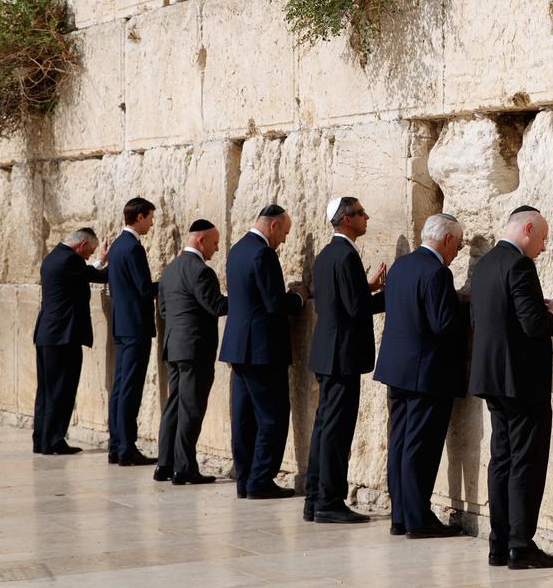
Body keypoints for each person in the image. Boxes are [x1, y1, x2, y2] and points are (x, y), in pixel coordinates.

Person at [469, 206, 553, 569]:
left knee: (502, 460)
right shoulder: (520, 265)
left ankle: (499, 544)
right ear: (527, 228)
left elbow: (489, 317)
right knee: (525, 462)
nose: (542, 247)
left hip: (492, 379)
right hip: (522, 382)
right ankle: (521, 545)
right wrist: (552, 314)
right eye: (541, 238)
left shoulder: (486, 264)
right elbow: (533, 326)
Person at [373, 213, 469, 539]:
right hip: (425, 374)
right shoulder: (438, 272)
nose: (457, 251)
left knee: (400, 444)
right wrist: (467, 309)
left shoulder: (401, 266)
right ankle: (418, 520)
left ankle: (401, 516)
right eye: (458, 244)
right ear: (447, 240)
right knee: (420, 449)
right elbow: (444, 325)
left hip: (396, 371)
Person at [304, 196, 387, 524]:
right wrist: (390, 295)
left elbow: (341, 299)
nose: (367, 217)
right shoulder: (347, 256)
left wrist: (365, 288)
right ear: (347, 219)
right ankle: (329, 502)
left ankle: (314, 499)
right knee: (336, 432)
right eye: (361, 213)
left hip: (327, 353)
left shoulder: (328, 255)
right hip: (342, 357)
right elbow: (356, 308)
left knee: (324, 428)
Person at [220, 205, 307, 500]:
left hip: (238, 347)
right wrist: (299, 297)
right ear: (273, 226)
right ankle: (260, 480)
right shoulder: (263, 254)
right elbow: (274, 304)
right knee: (273, 415)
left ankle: (245, 479)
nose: (284, 239)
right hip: (262, 350)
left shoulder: (237, 249)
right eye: (284, 232)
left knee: (244, 418)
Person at [154, 219, 228, 485]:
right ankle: (184, 468)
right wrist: (243, 296)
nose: (217, 249)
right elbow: (216, 306)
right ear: (201, 240)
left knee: (174, 405)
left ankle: (164, 464)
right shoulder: (200, 271)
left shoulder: (170, 270)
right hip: (195, 349)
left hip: (174, 346)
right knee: (191, 409)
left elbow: (163, 311)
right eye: (215, 242)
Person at [32, 229, 109, 454]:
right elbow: (98, 277)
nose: (89, 255)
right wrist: (116, 261)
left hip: (47, 334)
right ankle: (54, 441)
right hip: (63, 337)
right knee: (61, 390)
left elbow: (84, 272)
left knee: (46, 390)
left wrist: (99, 261)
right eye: (90, 251)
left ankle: (42, 439)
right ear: (82, 244)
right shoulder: (69, 260)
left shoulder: (55, 257)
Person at [107, 197, 159, 466]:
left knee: (120, 387)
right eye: (150, 217)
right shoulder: (133, 249)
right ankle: (127, 448)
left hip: (121, 325)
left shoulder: (117, 246)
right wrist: (169, 284)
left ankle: (116, 445)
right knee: (130, 388)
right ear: (139, 217)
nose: (152, 223)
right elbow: (143, 288)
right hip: (135, 327)